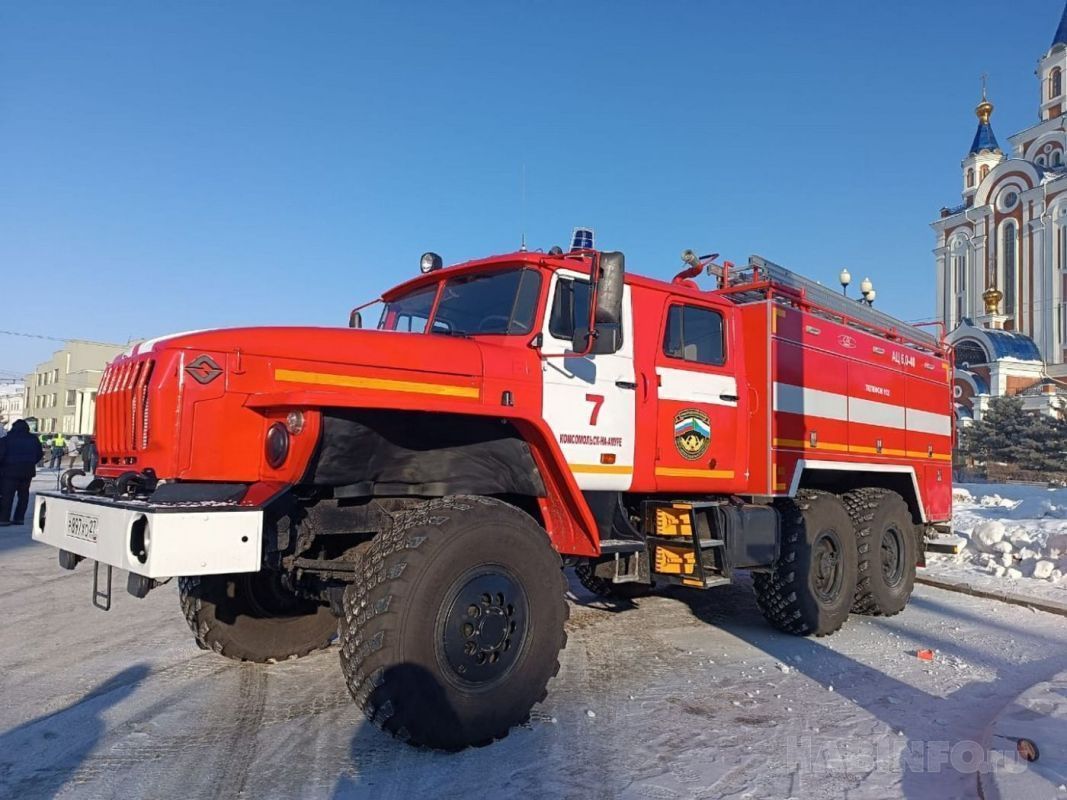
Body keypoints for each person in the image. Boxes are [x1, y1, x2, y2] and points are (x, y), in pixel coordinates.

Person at [0, 419, 44, 526]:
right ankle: (19, 518)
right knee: (23, 496)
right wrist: (31, 462)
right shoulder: (34, 439)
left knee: (7, 496)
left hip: (9, 472)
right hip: (27, 472)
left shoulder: (6, 440)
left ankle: (4, 519)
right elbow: (39, 454)